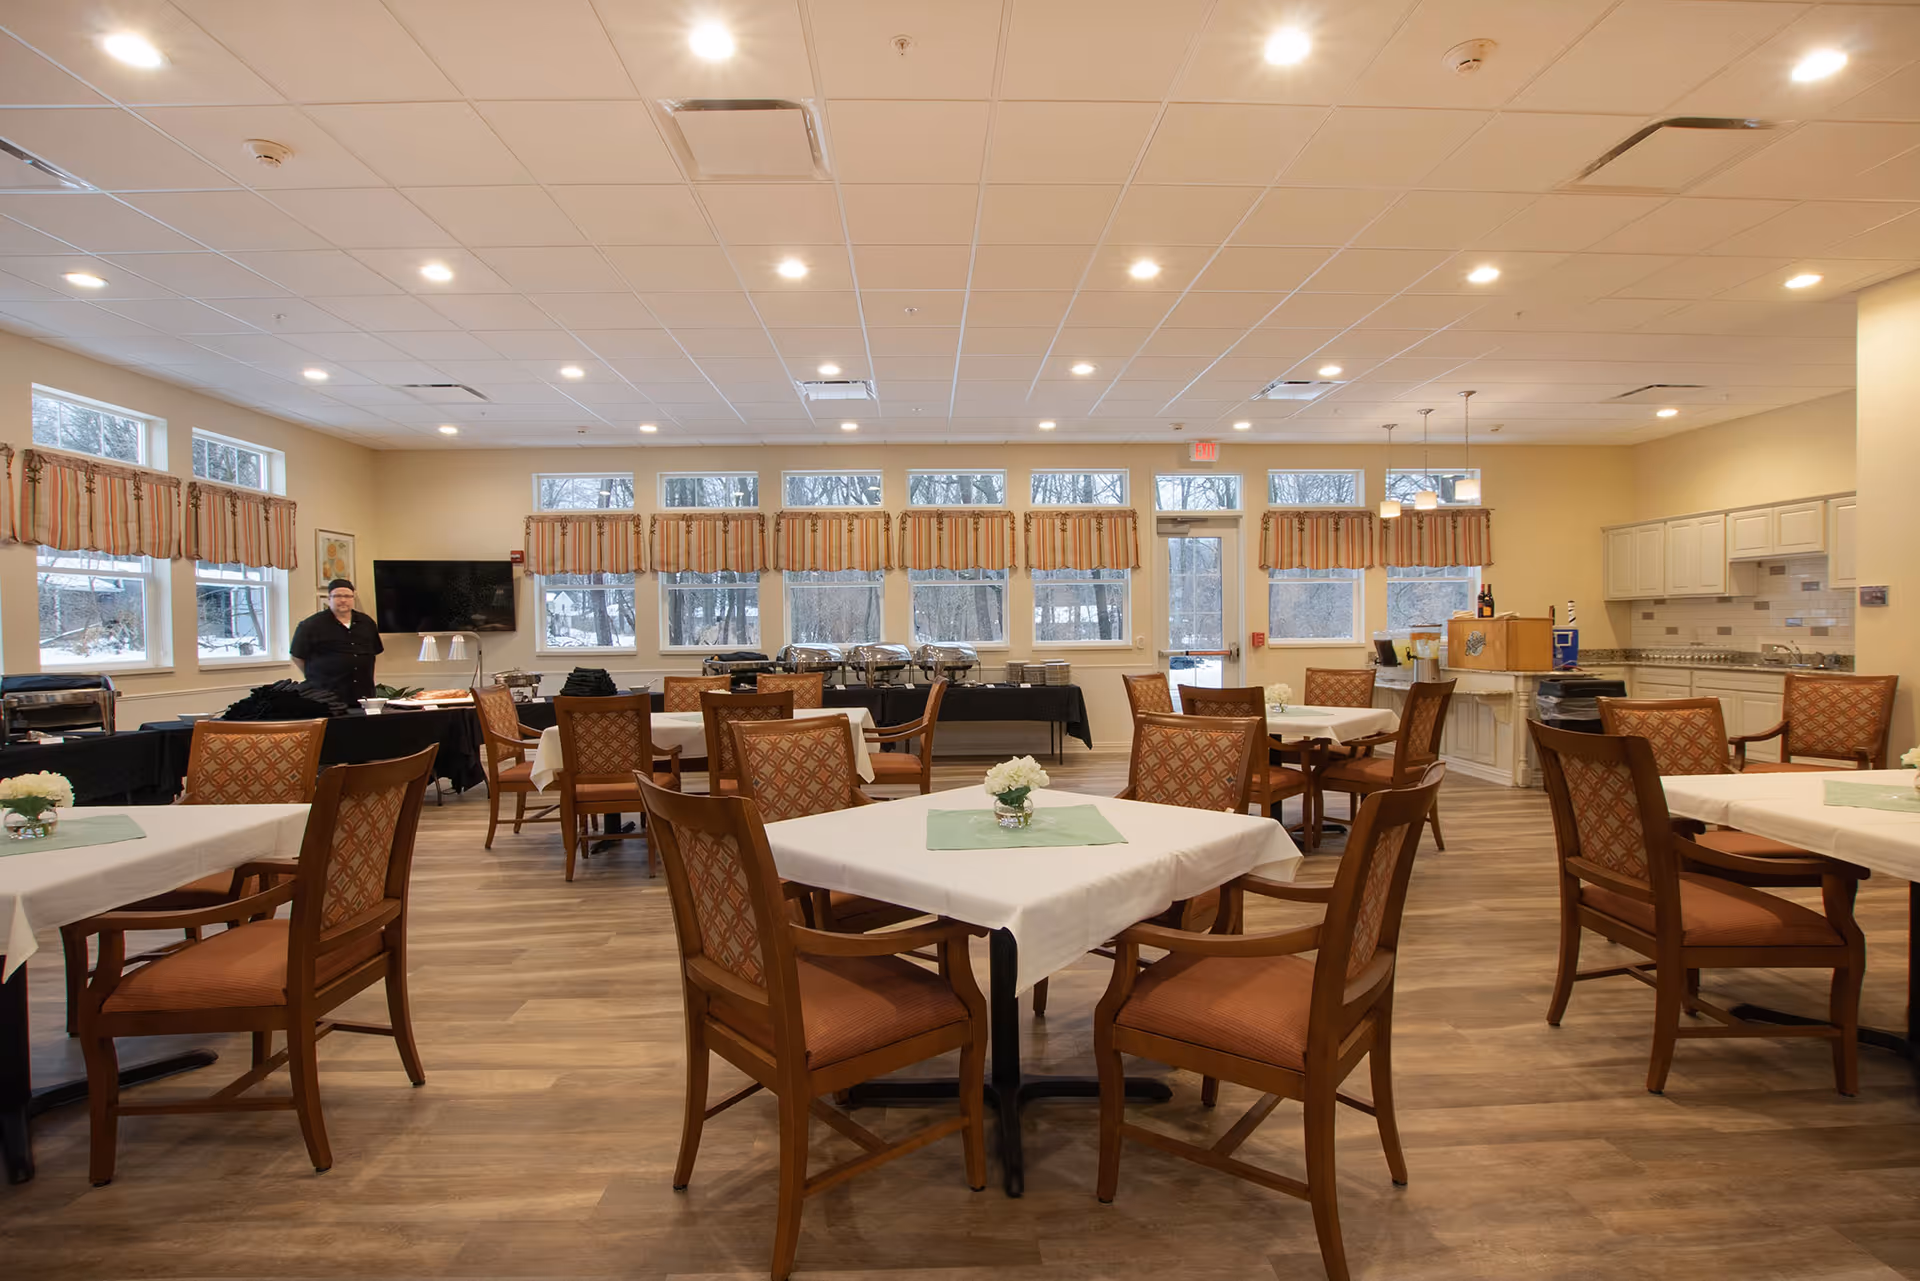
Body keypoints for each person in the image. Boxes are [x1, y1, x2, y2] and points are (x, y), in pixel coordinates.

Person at [291, 579, 383, 703]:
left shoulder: (367, 623)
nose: (343, 600)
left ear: (353, 598)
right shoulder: (311, 625)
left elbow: (375, 650)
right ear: (329, 598)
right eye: (338, 596)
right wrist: (316, 677)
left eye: (347, 596)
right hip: (327, 694)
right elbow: (297, 656)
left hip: (363, 693)